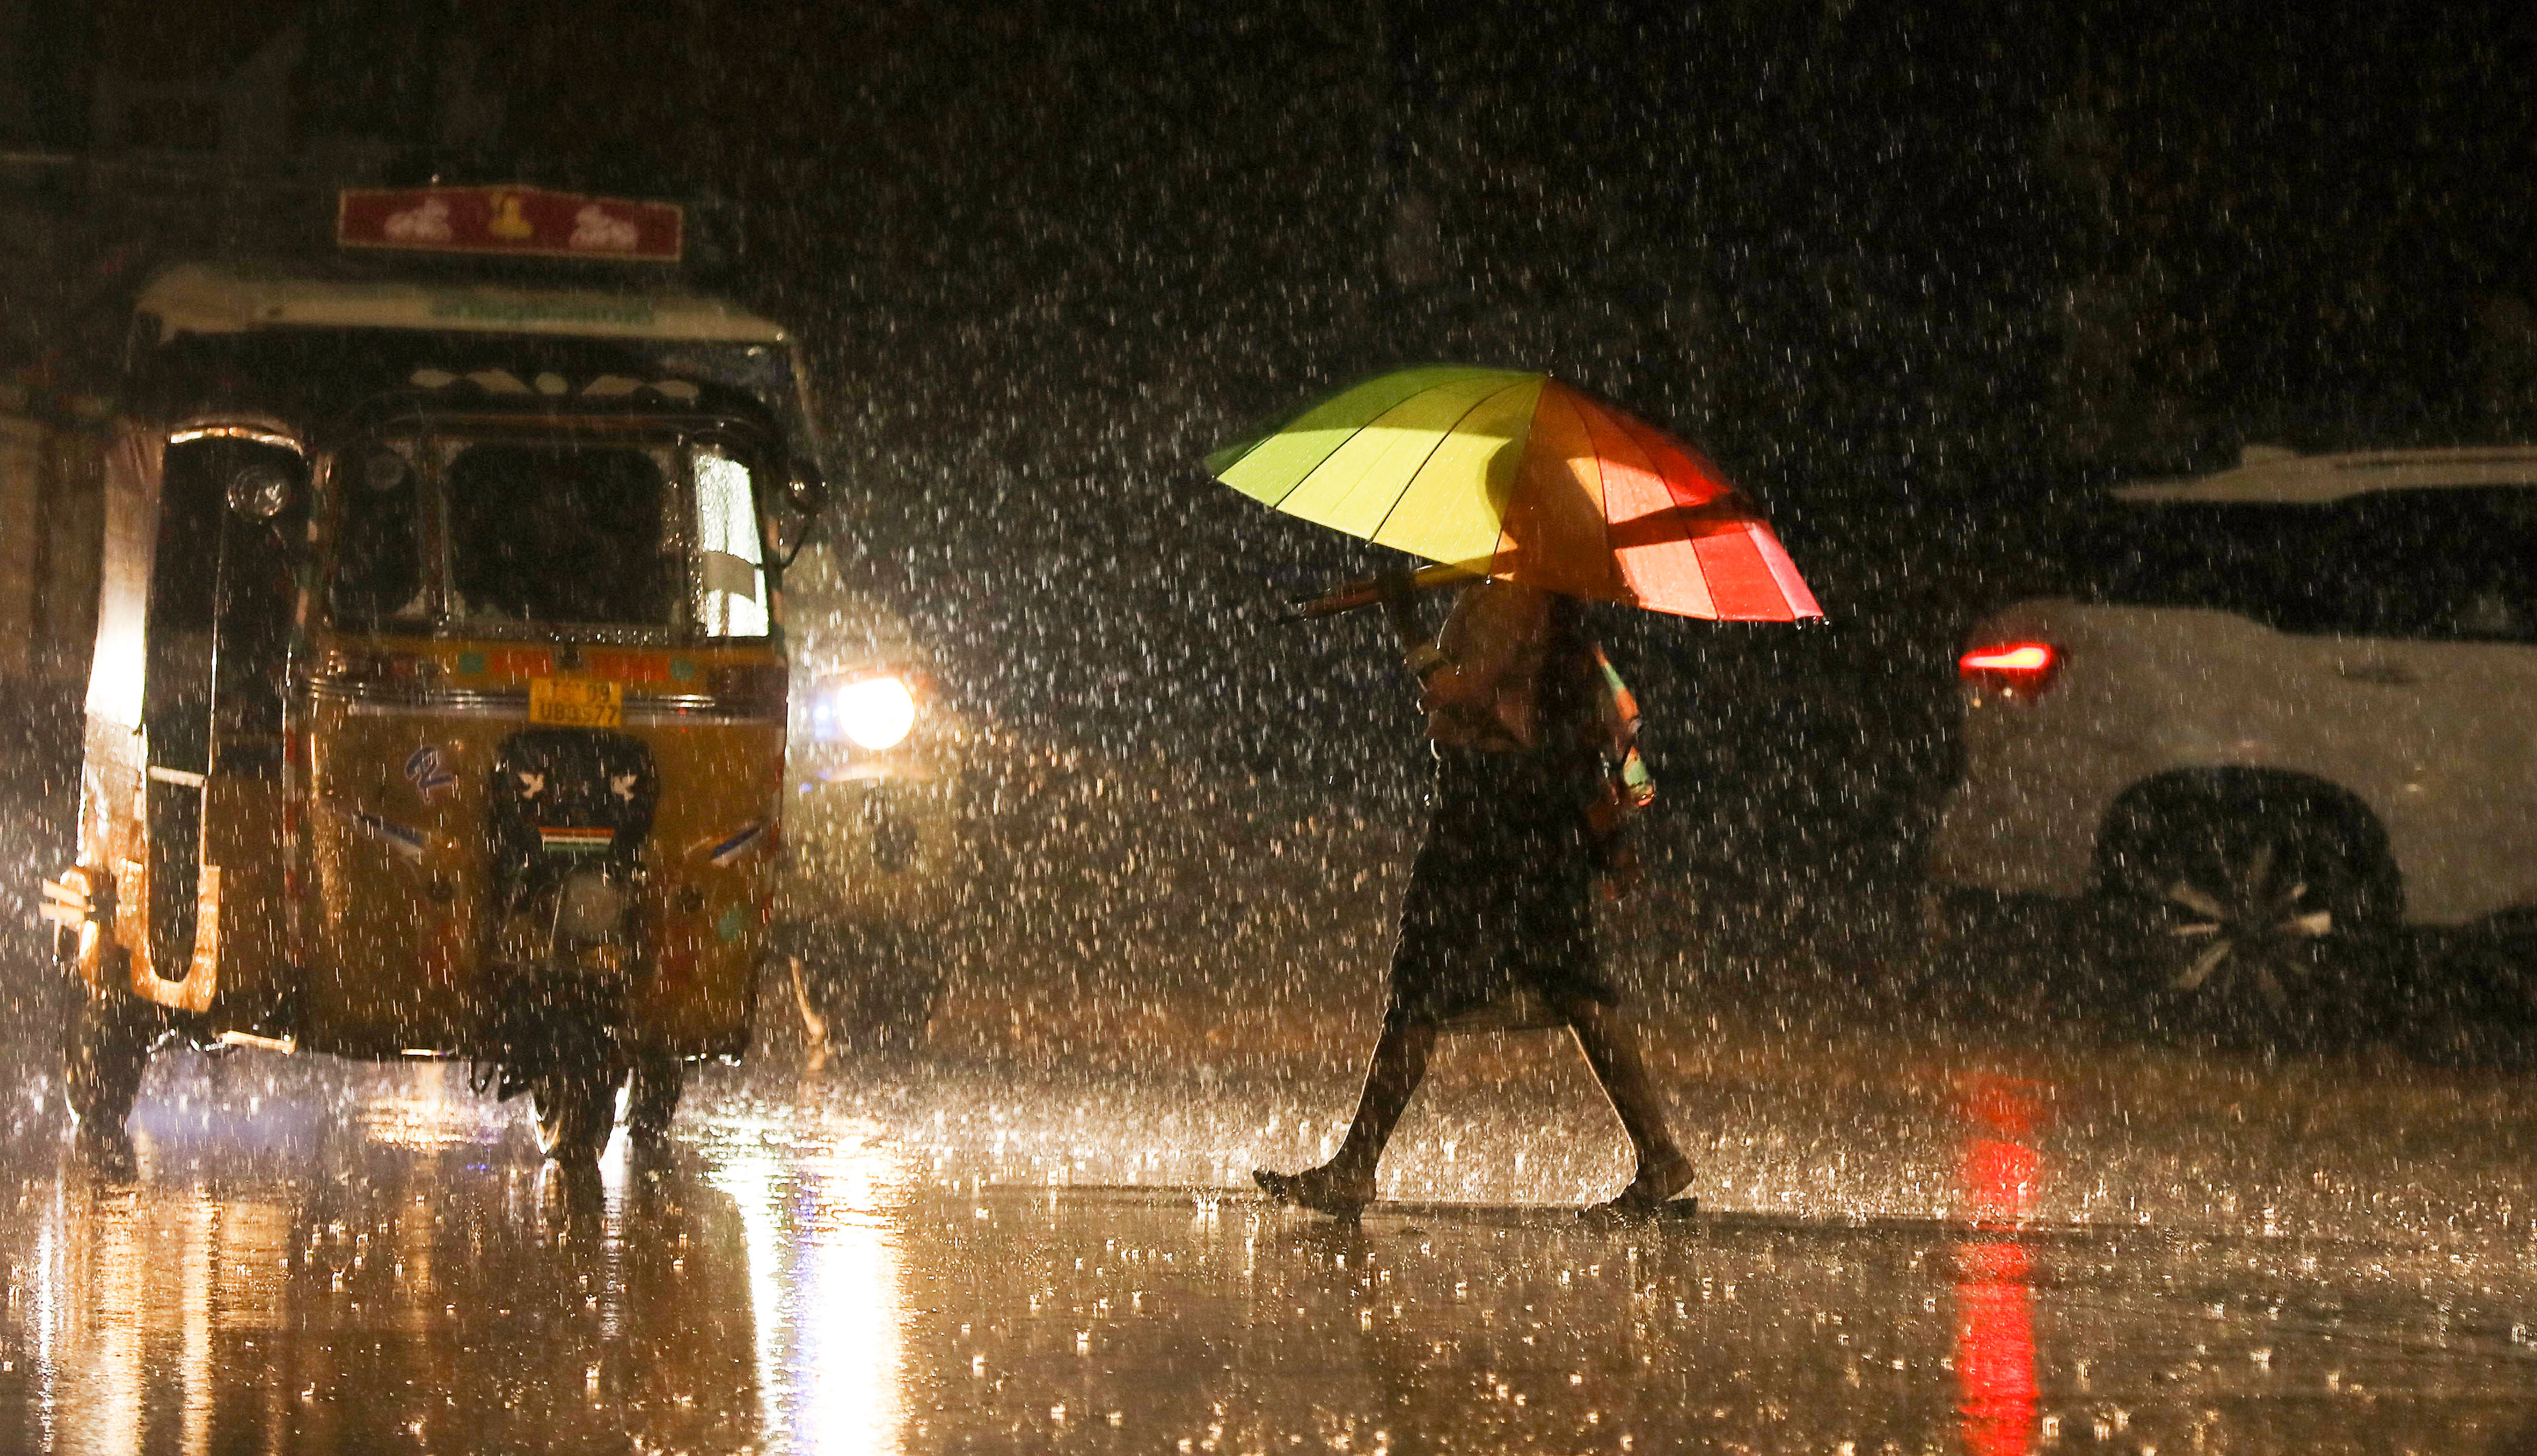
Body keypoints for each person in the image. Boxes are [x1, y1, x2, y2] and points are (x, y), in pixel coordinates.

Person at [1255, 574, 1696, 1220]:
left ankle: (1356, 1168)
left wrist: (1403, 620)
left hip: (1492, 815)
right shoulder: (1544, 600)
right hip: (1516, 813)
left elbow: (1452, 691)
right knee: (1563, 985)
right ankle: (1658, 1155)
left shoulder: (1514, 594)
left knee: (1429, 984)